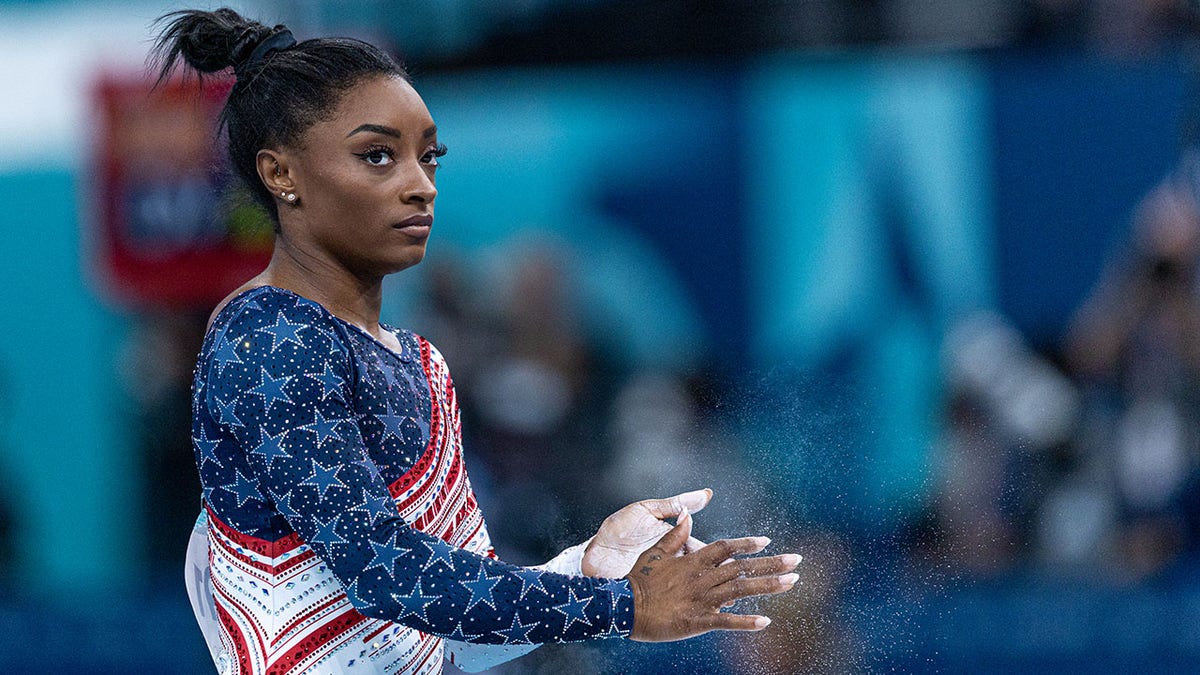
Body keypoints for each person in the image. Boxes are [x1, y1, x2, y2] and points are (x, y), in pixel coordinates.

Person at [155, 8, 801, 674]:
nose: (419, 185)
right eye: (378, 155)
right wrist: (623, 606)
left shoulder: (423, 365)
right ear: (281, 173)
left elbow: (457, 629)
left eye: (427, 156)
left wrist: (593, 564)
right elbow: (387, 575)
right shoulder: (268, 341)